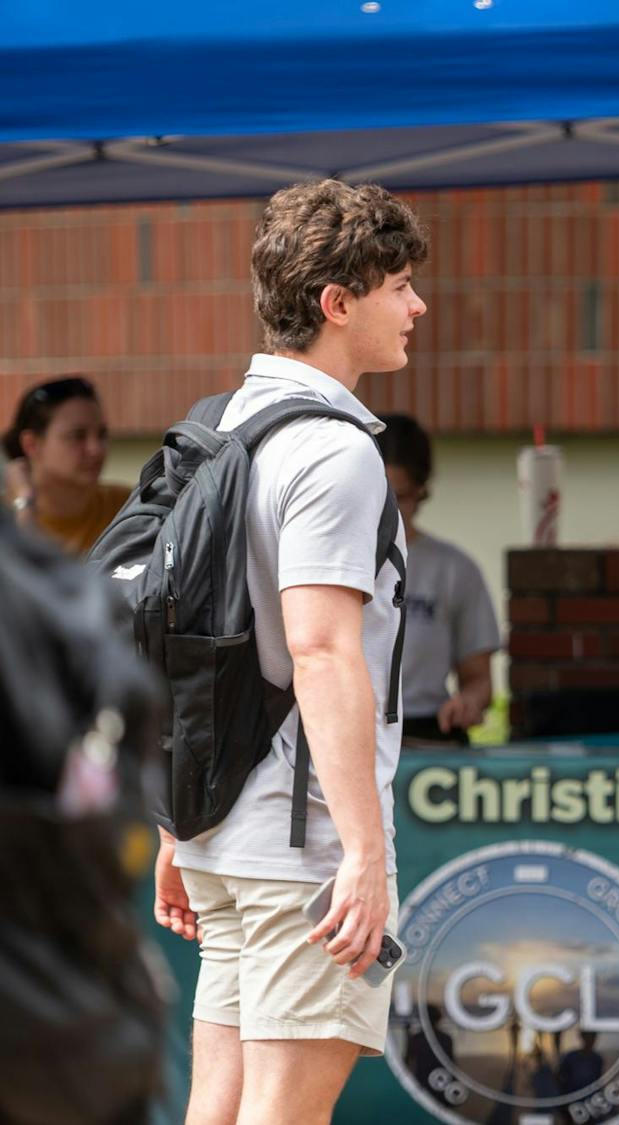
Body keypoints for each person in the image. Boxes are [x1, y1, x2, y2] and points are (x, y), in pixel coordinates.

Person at [151, 179, 429, 1125]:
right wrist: (366, 850)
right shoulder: (335, 450)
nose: (417, 306)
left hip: (219, 832)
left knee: (217, 1112)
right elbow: (319, 649)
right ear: (336, 303)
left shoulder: (219, 426)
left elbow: (182, 636)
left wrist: (173, 823)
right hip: (299, 844)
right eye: (398, 285)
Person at [374, 413, 502, 745]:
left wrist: (469, 703)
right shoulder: (330, 562)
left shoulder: (453, 569)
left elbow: (478, 678)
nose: (387, 511)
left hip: (428, 732)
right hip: (351, 730)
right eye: (377, 496)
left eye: (399, 498)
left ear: (421, 492)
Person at [3, 376, 131, 555]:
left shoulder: (128, 507)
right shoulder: (7, 517)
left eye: (101, 434)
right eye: (77, 436)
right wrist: (24, 502)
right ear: (31, 445)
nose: (95, 449)